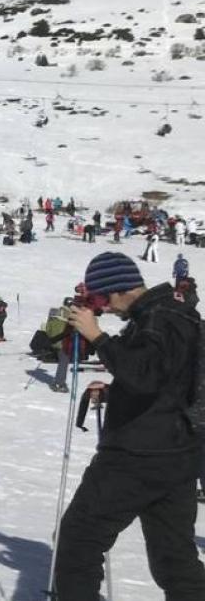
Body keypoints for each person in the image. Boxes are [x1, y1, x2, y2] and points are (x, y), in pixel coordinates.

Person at [55, 252, 205, 599]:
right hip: (178, 452)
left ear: (119, 289)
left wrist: (98, 337)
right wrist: (113, 391)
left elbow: (146, 375)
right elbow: (169, 377)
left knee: (79, 542)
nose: (104, 308)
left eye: (102, 299)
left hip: (137, 455)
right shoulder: (174, 312)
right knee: (175, 559)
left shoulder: (157, 320)